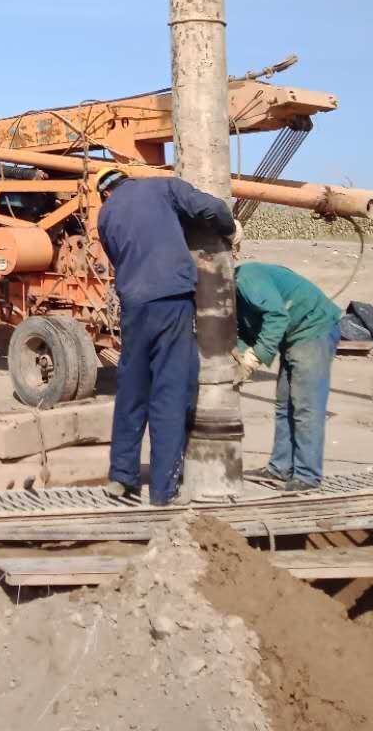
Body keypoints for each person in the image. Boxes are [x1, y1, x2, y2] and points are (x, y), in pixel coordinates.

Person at [97, 168, 239, 505]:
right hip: (171, 300)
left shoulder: (105, 215)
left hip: (134, 305)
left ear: (104, 193)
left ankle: (121, 478)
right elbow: (213, 208)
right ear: (126, 179)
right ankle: (163, 491)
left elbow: (118, 256)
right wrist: (228, 230)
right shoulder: (163, 187)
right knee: (169, 392)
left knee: (132, 390)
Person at [233, 262, 342, 492]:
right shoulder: (234, 296)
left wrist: (254, 358)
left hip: (312, 328)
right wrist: (239, 357)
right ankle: (280, 467)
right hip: (292, 334)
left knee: (306, 407)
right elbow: (246, 330)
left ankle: (307, 476)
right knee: (284, 404)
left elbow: (276, 316)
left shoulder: (246, 280)